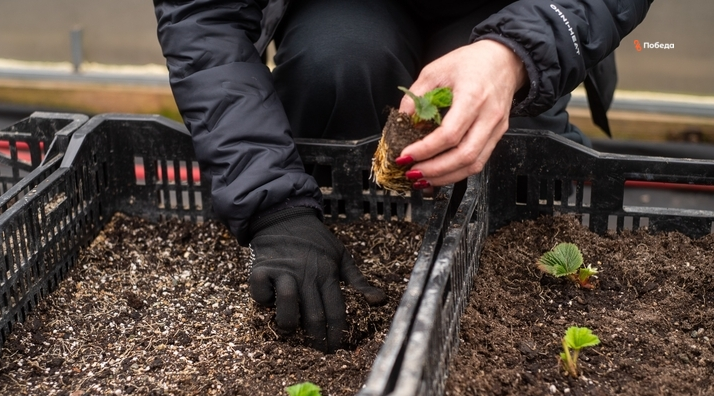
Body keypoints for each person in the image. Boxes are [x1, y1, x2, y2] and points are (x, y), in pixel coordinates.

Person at [153, 0, 653, 352]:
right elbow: (205, 18)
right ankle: (352, 215)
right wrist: (273, 206)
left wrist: (516, 54)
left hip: (519, 10)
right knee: (336, 63)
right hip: (348, 12)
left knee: (509, 146)